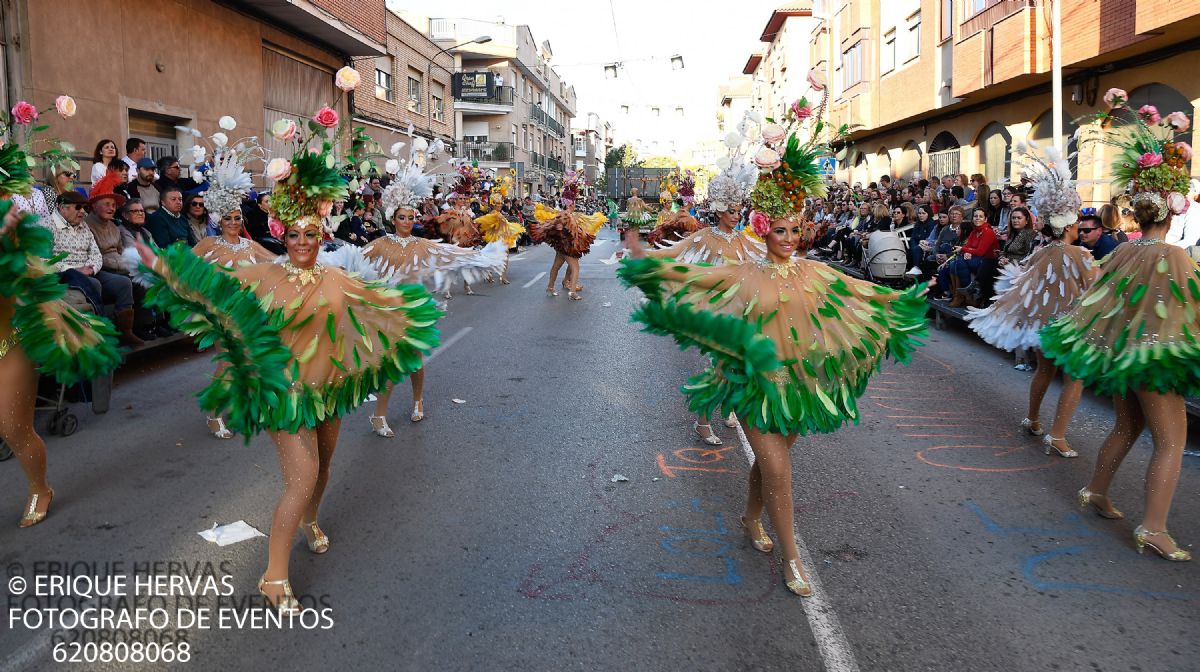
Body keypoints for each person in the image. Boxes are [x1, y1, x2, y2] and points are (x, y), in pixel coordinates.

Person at [134, 100, 444, 612]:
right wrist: (160, 267)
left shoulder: (338, 277)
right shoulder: (261, 274)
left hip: (331, 390)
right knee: (299, 477)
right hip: (284, 392)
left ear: (322, 235)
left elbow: (383, 304)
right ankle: (274, 574)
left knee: (322, 471)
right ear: (282, 234)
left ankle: (311, 518)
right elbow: (207, 286)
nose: (302, 242)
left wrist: (413, 313)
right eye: (294, 234)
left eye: (311, 234)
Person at [618, 105, 927, 598]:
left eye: (794, 231)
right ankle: (792, 558)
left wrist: (903, 299)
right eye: (779, 230)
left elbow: (860, 294)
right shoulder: (744, 271)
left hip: (798, 387)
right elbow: (691, 277)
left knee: (770, 465)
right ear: (765, 230)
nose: (788, 239)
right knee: (781, 472)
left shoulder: (815, 271)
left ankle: (749, 516)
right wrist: (643, 259)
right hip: (752, 384)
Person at [1041, 98, 1200, 562]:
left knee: (1128, 426)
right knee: (1172, 441)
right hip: (1153, 360)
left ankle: (1095, 489)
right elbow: (1184, 309)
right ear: (1173, 212)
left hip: (1117, 355)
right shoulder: (1175, 257)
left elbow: (1099, 301)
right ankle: (1153, 528)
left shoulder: (1124, 252)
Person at [357, 147, 506, 436]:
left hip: (413, 306)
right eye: (402, 217)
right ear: (392, 219)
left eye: (410, 216)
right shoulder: (378, 244)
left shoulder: (421, 244)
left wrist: (483, 257)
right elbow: (354, 264)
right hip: (388, 307)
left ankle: (417, 400)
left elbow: (451, 254)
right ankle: (379, 415)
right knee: (389, 362)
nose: (407, 221)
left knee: (414, 361)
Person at [968, 145, 1096, 457]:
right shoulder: (1079, 254)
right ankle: (1058, 434)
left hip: (1042, 325)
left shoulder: (1041, 251)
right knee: (1075, 378)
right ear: (1067, 224)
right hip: (1067, 326)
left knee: (1044, 370)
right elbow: (1093, 288)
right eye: (1077, 222)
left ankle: (1034, 419)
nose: (1080, 226)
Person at [528, 170, 606, 300]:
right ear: (571, 203)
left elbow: (557, 222)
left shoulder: (565, 213)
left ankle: (550, 287)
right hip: (567, 247)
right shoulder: (566, 215)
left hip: (562, 247)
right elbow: (554, 224)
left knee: (557, 266)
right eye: (574, 201)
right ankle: (572, 292)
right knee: (575, 268)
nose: (575, 204)